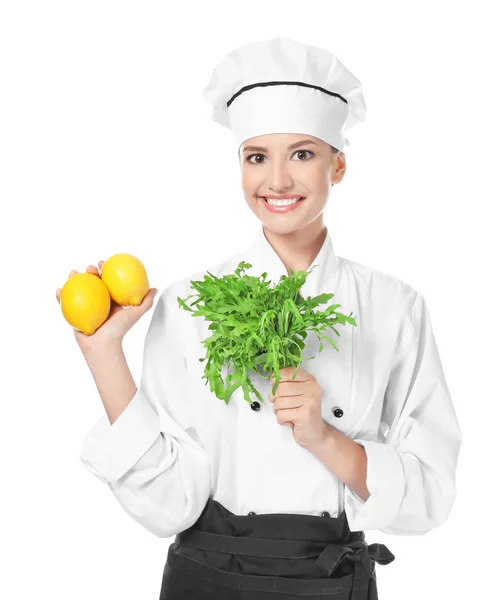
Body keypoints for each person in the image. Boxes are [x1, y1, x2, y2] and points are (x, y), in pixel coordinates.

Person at [57, 37, 462, 599]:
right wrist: (103, 356)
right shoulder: (190, 304)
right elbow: (169, 504)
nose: (276, 181)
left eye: (302, 154)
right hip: (209, 582)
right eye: (256, 157)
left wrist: (323, 437)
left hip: (330, 581)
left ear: (338, 165)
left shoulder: (394, 307)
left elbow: (431, 495)